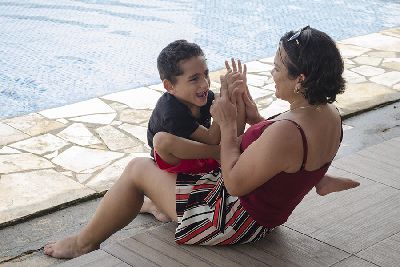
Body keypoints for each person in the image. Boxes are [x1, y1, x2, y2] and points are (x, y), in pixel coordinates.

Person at [44, 27, 359, 258]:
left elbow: (234, 181)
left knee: (138, 169)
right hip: (262, 213)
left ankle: (83, 243)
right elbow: (285, 156)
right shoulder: (327, 114)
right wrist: (253, 117)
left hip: (230, 220)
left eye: (278, 68)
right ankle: (159, 205)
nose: (273, 73)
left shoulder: (289, 129)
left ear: (300, 79)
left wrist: (226, 123)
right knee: (170, 170)